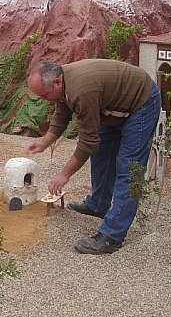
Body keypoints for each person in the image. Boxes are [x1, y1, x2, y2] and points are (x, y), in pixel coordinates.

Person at [27, 59, 161, 254]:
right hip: (113, 105)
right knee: (102, 153)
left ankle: (112, 236)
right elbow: (62, 113)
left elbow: (87, 142)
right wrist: (44, 142)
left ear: (57, 82)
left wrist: (64, 175)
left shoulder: (81, 91)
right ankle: (98, 204)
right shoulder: (64, 84)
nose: (44, 100)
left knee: (128, 167)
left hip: (141, 103)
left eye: (45, 95)